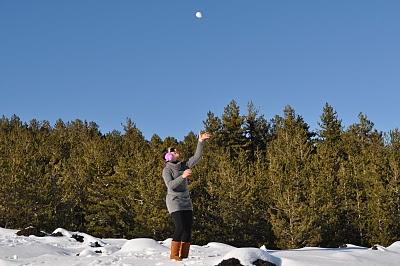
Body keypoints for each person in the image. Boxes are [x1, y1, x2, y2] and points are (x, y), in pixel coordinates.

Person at [162, 132, 211, 261]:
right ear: (168, 156)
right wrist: (183, 176)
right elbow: (171, 185)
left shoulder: (183, 165)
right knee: (180, 226)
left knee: (188, 228)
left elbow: (197, 157)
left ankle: (184, 256)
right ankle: (174, 255)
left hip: (186, 200)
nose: (176, 150)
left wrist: (200, 141)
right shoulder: (167, 170)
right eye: (173, 150)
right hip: (174, 201)